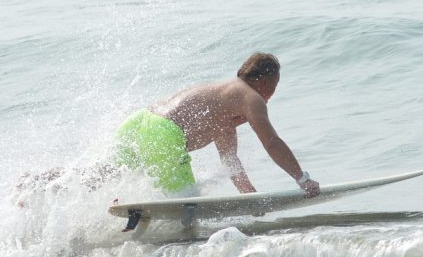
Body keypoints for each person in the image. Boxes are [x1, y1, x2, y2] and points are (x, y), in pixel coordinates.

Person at [114, 52, 320, 197]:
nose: (271, 96)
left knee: (107, 175)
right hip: (163, 133)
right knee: (187, 206)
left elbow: (229, 159)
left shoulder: (225, 103)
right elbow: (272, 143)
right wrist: (303, 180)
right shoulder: (251, 98)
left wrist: (249, 195)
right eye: (274, 87)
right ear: (265, 82)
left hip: (139, 122)